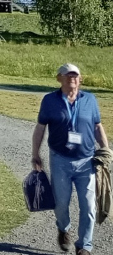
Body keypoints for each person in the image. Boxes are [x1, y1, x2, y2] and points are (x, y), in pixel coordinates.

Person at [32, 64, 108, 255]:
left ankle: (84, 246)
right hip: (60, 160)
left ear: (80, 79)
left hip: (87, 161)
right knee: (61, 204)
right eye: (67, 75)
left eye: (75, 75)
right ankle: (63, 228)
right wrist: (35, 154)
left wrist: (105, 150)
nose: (72, 78)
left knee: (88, 206)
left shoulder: (90, 99)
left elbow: (98, 126)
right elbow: (40, 128)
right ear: (59, 78)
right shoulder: (49, 100)